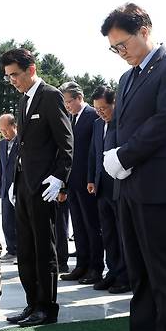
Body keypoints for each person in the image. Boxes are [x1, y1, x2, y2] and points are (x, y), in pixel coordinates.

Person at [101, 3, 166, 331]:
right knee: (138, 272)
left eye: (122, 44)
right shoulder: (126, 79)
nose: (120, 52)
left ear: (144, 31)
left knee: (165, 274)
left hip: (161, 185)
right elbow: (125, 127)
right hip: (130, 186)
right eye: (114, 48)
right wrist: (118, 159)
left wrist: (124, 156)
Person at [2, 48, 73, 327]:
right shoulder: (23, 101)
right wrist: (13, 182)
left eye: (15, 75)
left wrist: (59, 177)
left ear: (31, 69)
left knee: (45, 249)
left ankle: (47, 307)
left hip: (44, 186)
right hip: (23, 186)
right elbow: (21, 145)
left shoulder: (51, 95)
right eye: (8, 77)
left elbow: (66, 143)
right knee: (26, 249)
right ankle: (32, 304)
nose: (12, 81)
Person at [58, 82, 104, 285]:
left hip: (88, 182)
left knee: (92, 226)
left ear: (79, 98)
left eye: (69, 101)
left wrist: (92, 178)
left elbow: (96, 151)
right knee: (78, 225)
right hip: (73, 182)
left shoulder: (93, 115)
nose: (67, 106)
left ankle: (95, 267)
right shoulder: (70, 118)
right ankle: (81, 265)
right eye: (65, 103)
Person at [87, 86, 130, 294]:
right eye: (97, 108)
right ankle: (112, 272)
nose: (100, 112)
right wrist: (91, 179)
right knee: (108, 234)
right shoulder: (97, 125)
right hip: (102, 188)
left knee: (123, 234)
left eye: (104, 108)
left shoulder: (123, 124)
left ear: (114, 104)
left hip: (120, 187)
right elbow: (93, 154)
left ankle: (125, 276)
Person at [0, 113, 19, 262]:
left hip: (19, 188)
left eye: (6, 130)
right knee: (7, 222)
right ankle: (11, 250)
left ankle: (23, 251)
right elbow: (1, 167)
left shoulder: (23, 142)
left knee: (21, 222)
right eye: (1, 130)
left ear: (14, 126)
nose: (4, 133)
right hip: (6, 189)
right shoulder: (1, 144)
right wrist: (0, 186)